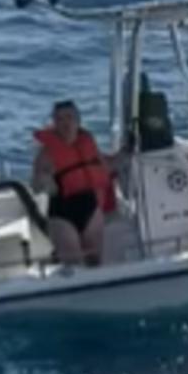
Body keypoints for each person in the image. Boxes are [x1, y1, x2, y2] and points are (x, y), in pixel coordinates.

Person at [31, 100, 117, 267]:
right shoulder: (46, 154)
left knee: (95, 261)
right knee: (74, 264)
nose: (65, 123)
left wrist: (126, 154)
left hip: (90, 208)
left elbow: (105, 165)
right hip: (62, 213)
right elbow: (36, 183)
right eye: (59, 119)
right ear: (54, 123)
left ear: (78, 120)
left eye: (69, 117)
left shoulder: (88, 143)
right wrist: (44, 182)